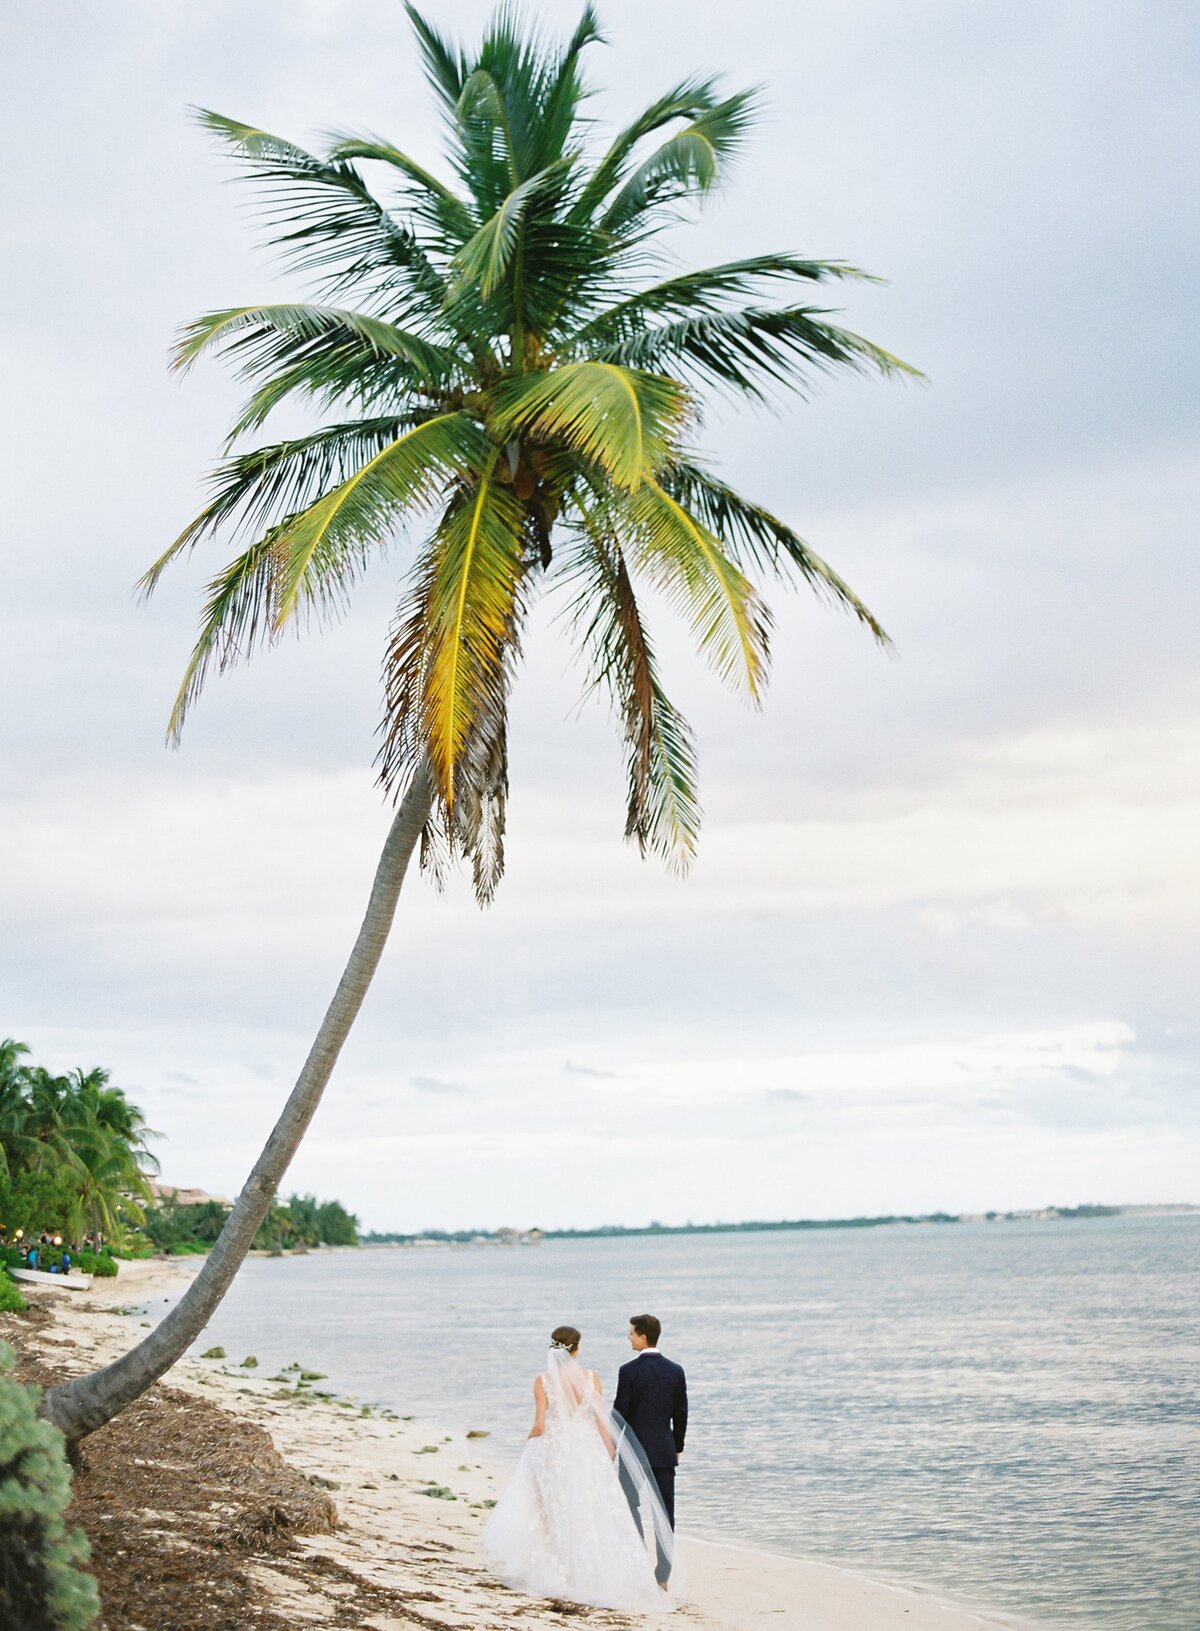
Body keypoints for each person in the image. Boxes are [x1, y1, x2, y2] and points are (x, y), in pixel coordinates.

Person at [484, 1324, 680, 1612]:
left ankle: (558, 1570)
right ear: (576, 1349)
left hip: (555, 1451)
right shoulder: (592, 1378)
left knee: (554, 1509)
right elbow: (603, 1422)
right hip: (587, 1451)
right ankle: (598, 1572)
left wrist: (529, 1440)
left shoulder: (541, 1381)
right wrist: (610, 1452)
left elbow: (539, 1424)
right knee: (592, 1509)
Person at [614, 1314, 688, 1586]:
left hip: (633, 1451)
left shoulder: (628, 1371)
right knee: (665, 1513)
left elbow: (620, 1413)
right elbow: (681, 1414)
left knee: (629, 1505)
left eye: (632, 1333)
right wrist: (677, 1446)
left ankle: (638, 1558)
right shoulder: (675, 1370)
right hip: (663, 1452)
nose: (628, 1337)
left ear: (643, 1336)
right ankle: (663, 1576)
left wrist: (611, 1445)